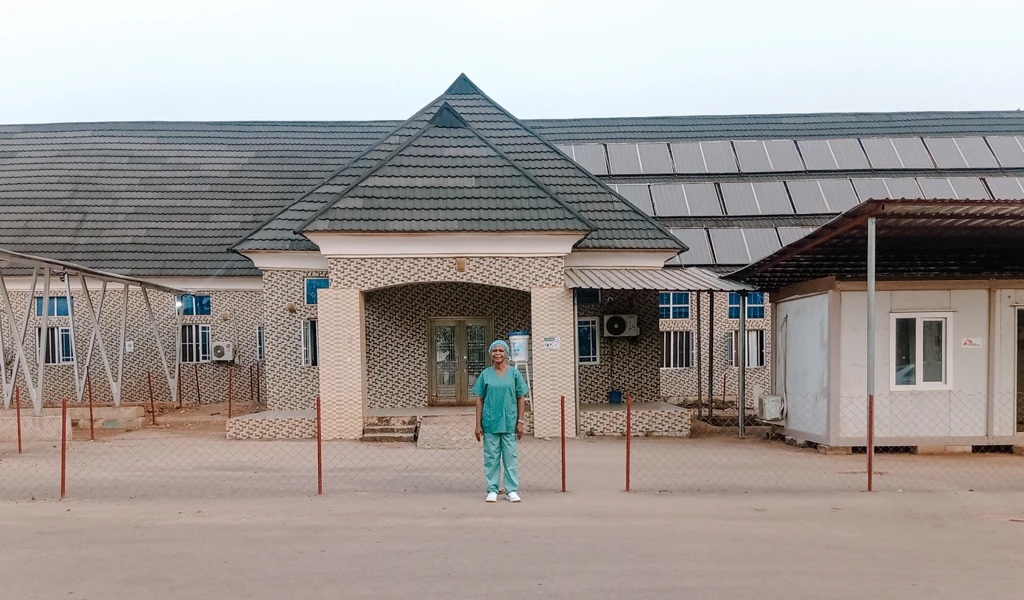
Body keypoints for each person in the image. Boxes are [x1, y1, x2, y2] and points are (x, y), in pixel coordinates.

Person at [472, 339, 529, 503]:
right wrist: (478, 425)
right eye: (495, 350)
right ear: (491, 354)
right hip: (490, 422)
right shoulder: (486, 374)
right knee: (491, 458)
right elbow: (479, 400)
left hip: (510, 422)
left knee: (510, 458)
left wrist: (520, 421)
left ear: (506, 354)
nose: (498, 353)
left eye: (501, 350)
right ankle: (492, 490)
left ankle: (512, 490)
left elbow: (521, 398)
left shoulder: (514, 373)